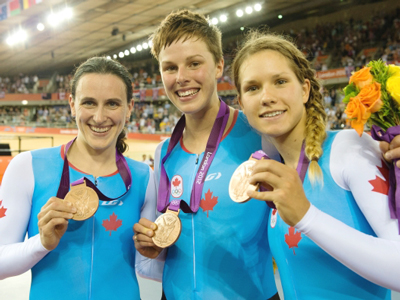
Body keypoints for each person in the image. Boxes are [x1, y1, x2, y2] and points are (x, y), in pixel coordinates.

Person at [231, 31, 400, 299]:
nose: (266, 96)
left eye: (280, 81)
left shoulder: (347, 148)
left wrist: (307, 217)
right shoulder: (276, 174)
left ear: (306, 89)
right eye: (253, 87)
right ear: (241, 104)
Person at [133, 10, 278, 300]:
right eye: (170, 68)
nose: (182, 78)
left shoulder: (262, 135)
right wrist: (153, 245)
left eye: (194, 63)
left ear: (218, 66)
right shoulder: (164, 152)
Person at [0, 57, 160, 299]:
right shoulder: (27, 167)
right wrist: (41, 243)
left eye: (112, 104)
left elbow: (146, 268)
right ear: (72, 104)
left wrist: (154, 252)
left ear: (129, 108)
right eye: (89, 103)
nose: (99, 116)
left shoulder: (144, 178)